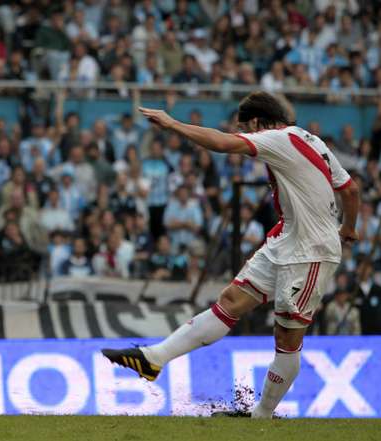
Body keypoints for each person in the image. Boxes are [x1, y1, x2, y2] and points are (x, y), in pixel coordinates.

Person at [102, 91, 360, 419]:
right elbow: (349, 190)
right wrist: (348, 228)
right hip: (286, 240)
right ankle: (155, 358)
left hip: (311, 251)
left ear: (258, 122)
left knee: (287, 335)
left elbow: (222, 144)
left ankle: (262, 415)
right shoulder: (313, 141)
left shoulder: (278, 137)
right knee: (231, 300)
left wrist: (171, 124)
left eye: (244, 127)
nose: (243, 134)